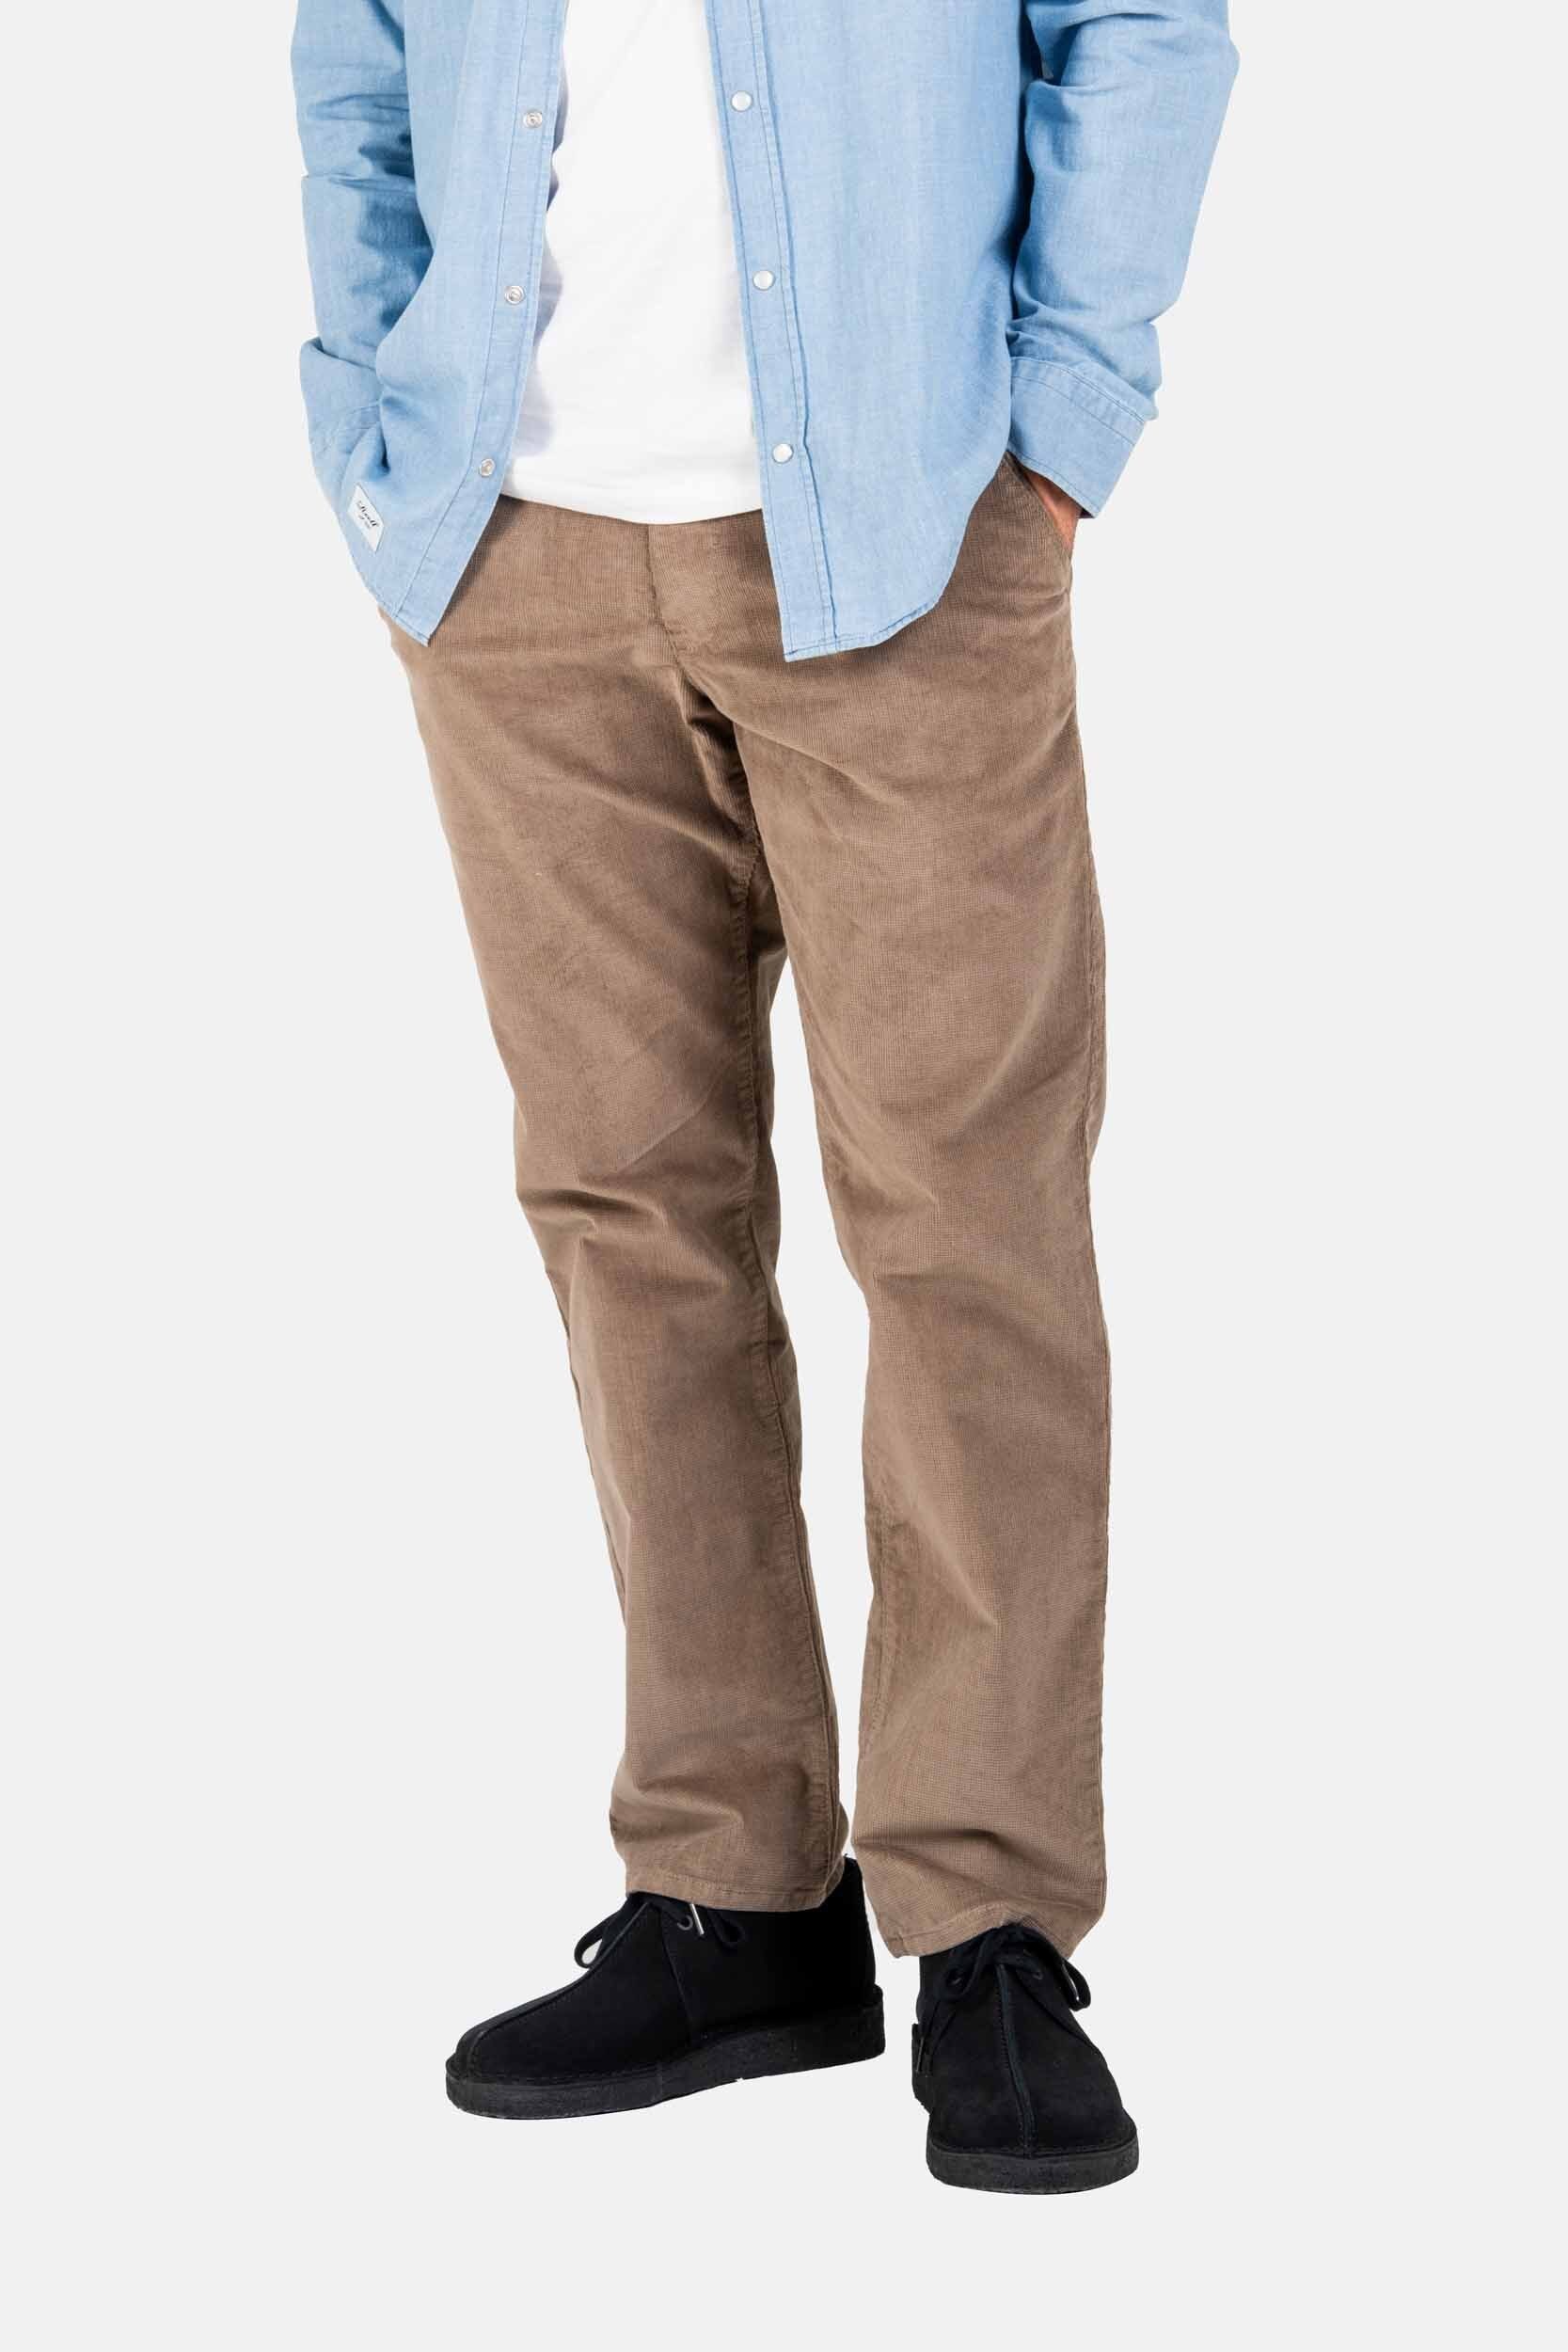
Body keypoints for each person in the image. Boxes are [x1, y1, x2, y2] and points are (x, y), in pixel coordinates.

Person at [292, 0, 1235, 2194]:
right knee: (630, 1216)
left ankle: (986, 1920)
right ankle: (735, 1886)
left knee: (970, 1223)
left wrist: (1063, 429)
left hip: (908, 528)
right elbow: (357, 58)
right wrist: (378, 419)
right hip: (511, 544)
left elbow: (1143, 29)